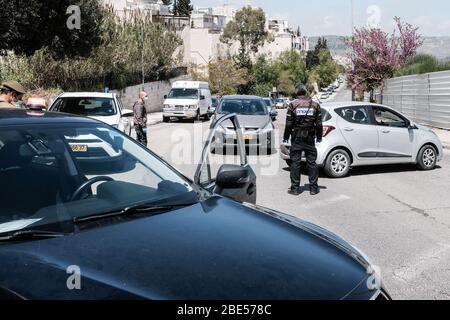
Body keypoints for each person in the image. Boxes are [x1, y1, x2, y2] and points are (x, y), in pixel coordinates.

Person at [283, 84, 323, 196]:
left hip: (296, 137)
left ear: (297, 94)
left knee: (295, 163)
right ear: (305, 93)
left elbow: (289, 123)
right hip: (310, 138)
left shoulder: (293, 105)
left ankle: (295, 189)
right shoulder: (315, 105)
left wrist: (286, 137)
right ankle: (313, 188)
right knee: (312, 163)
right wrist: (319, 137)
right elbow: (319, 124)